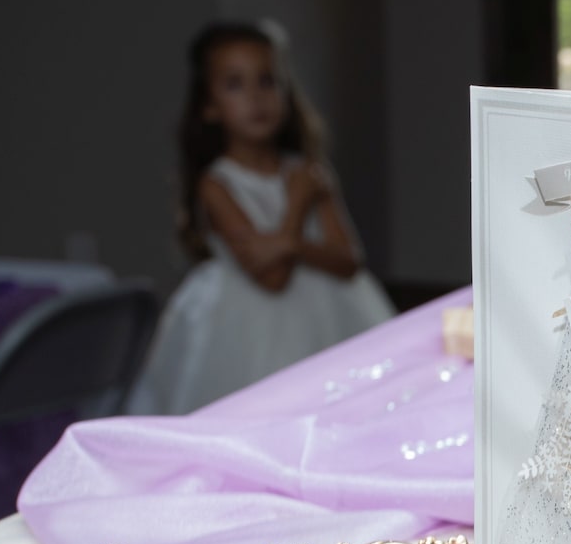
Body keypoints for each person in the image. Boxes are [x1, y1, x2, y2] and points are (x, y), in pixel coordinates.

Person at [126, 21, 393, 417]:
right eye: (235, 84)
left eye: (267, 81)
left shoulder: (309, 171)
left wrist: (287, 242)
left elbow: (348, 260)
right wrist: (297, 207)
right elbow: (271, 278)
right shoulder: (216, 185)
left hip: (329, 314)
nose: (256, 97)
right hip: (244, 328)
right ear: (209, 106)